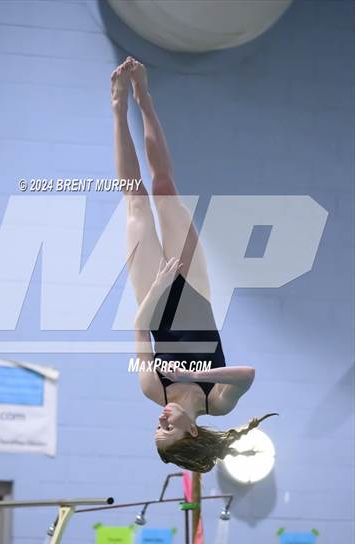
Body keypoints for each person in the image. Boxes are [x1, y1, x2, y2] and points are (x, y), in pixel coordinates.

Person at [111, 57, 277, 473]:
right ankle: (144, 98)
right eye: (167, 429)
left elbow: (138, 328)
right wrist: (195, 373)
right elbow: (248, 374)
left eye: (158, 428)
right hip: (195, 291)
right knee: (165, 188)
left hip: (154, 294)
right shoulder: (215, 403)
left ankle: (118, 108)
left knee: (135, 200)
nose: (161, 420)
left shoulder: (153, 388)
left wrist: (156, 288)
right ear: (193, 433)